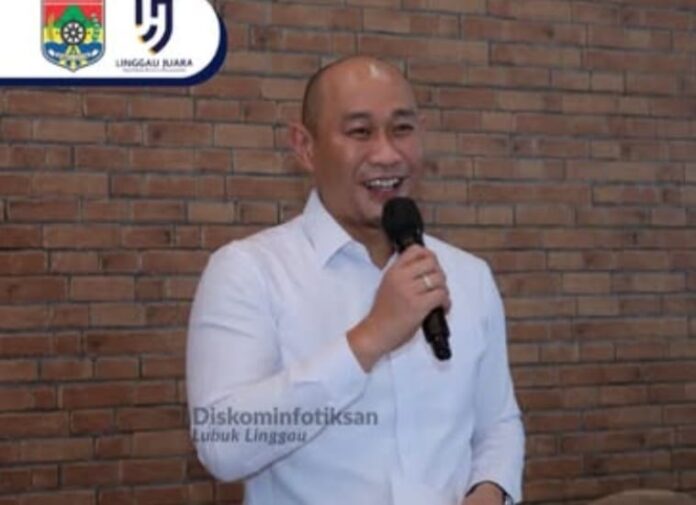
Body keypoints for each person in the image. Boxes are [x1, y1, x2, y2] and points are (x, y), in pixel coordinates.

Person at [186, 55, 525, 505]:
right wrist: (371, 337)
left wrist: (491, 489)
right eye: (360, 132)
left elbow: (497, 424)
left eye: (402, 129)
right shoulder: (249, 271)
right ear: (305, 147)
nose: (387, 154)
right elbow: (223, 446)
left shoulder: (469, 275)